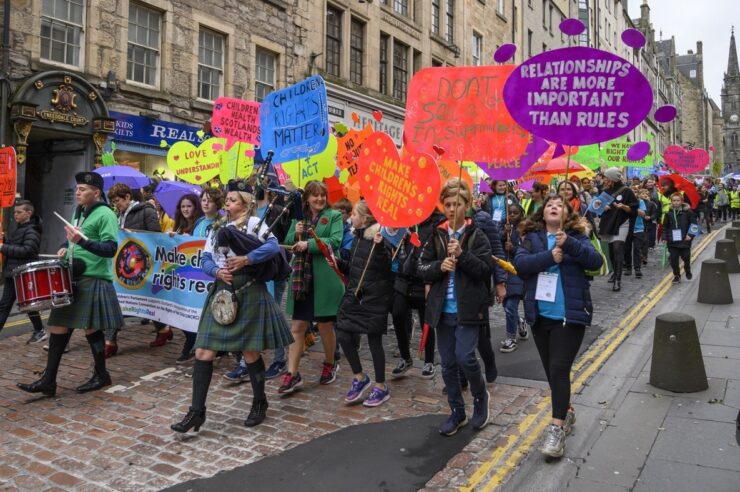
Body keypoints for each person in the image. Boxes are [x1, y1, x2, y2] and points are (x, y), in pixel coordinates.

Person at [170, 180, 292, 432]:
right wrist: (216, 272)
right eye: (227, 199)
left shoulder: (255, 225)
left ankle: (260, 402)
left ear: (246, 204)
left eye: (233, 199)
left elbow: (272, 246)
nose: (227, 202)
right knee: (203, 352)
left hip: (249, 290)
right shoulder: (217, 227)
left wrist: (247, 258)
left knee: (250, 353)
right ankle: (196, 412)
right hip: (222, 291)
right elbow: (205, 258)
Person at [17, 172, 123, 396]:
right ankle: (49, 380)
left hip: (93, 277)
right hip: (72, 276)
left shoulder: (106, 214)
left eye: (83, 189)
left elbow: (110, 249)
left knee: (92, 328)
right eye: (77, 189)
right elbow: (76, 238)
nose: (78, 192)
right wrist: (66, 246)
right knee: (58, 326)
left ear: (96, 192)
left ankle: (101, 375)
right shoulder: (79, 212)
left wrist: (80, 241)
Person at [514, 195, 603, 458]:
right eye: (550, 205)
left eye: (560, 205)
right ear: (543, 213)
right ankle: (568, 410)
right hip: (540, 316)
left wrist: (571, 245)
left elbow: (595, 262)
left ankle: (556, 429)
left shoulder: (577, 235)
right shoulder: (531, 238)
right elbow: (520, 265)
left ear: (568, 213)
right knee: (552, 373)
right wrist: (550, 256)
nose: (554, 207)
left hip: (570, 316)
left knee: (558, 368)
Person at [418, 178, 493, 436]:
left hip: (469, 310)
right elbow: (421, 268)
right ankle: (457, 411)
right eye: (447, 204)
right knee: (448, 364)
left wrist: (462, 255)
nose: (451, 209)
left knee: (465, 357)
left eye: (457, 204)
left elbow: (485, 270)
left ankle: (481, 396)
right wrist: (440, 267)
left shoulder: (476, 235)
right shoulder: (437, 235)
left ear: (467, 206)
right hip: (442, 310)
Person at [279, 181, 345, 395]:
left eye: (322, 195)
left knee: (325, 325)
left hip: (324, 280)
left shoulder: (333, 216)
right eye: (315, 195)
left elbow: (335, 241)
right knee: (297, 327)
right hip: (301, 279)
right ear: (307, 198)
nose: (319, 199)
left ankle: (329, 362)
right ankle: (292, 373)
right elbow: (289, 243)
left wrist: (309, 244)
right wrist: (295, 234)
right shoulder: (299, 218)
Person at [336, 201, 393, 406]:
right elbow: (354, 268)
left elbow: (386, 265)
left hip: (374, 298)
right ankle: (360, 377)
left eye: (354, 213)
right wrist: (339, 263)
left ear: (365, 218)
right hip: (356, 295)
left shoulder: (379, 239)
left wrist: (379, 247)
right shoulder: (357, 239)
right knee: (342, 332)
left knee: (374, 341)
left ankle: (380, 386)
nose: (351, 217)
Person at [106, 183, 161, 357]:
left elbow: (156, 236)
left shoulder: (147, 211)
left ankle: (163, 328)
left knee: (147, 301)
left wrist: (133, 233)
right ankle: (110, 341)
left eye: (118, 201)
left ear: (128, 197)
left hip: (142, 264)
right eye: (114, 202)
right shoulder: (118, 215)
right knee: (120, 300)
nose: (116, 205)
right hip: (124, 264)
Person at [390, 209, 444, 380]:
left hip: (423, 278)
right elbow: (392, 239)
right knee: (398, 314)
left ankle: (428, 360)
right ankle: (406, 357)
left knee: (425, 321)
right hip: (404, 277)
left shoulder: (437, 223)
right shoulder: (406, 218)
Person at [0, 200, 46, 343]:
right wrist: (5, 240)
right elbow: (17, 246)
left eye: (19, 212)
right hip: (15, 272)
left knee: (7, 305)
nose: (15, 215)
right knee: (26, 304)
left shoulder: (31, 230)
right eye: (14, 212)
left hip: (21, 273)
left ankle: (40, 330)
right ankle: (39, 330)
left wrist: (2, 247)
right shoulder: (21, 228)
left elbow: (28, 250)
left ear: (28, 213)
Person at [598, 168, 637, 292]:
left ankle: (617, 280)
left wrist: (624, 207)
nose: (604, 180)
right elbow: (597, 208)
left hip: (622, 223)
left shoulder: (627, 191)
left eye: (606, 177)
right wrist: (601, 208)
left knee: (617, 248)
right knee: (611, 251)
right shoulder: (605, 191)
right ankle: (615, 272)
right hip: (609, 224)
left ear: (612, 179)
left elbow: (634, 210)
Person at [500, 204, 528, 353]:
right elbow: (497, 246)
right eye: (509, 213)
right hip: (504, 271)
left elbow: (528, 252)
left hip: (518, 272)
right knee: (506, 306)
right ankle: (520, 321)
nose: (512, 216)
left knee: (511, 307)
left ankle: (511, 338)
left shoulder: (526, 231)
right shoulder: (506, 228)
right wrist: (503, 234)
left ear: (521, 214)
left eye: (515, 213)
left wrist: (514, 248)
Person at [662, 193, 699, 284]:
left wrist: (690, 235)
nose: (676, 202)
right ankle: (677, 275)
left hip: (684, 240)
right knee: (673, 259)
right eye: (674, 200)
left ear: (682, 201)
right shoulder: (668, 213)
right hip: (672, 240)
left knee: (686, 258)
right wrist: (664, 237)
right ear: (671, 201)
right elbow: (665, 227)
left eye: (678, 200)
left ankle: (687, 268)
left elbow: (694, 225)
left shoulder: (688, 212)